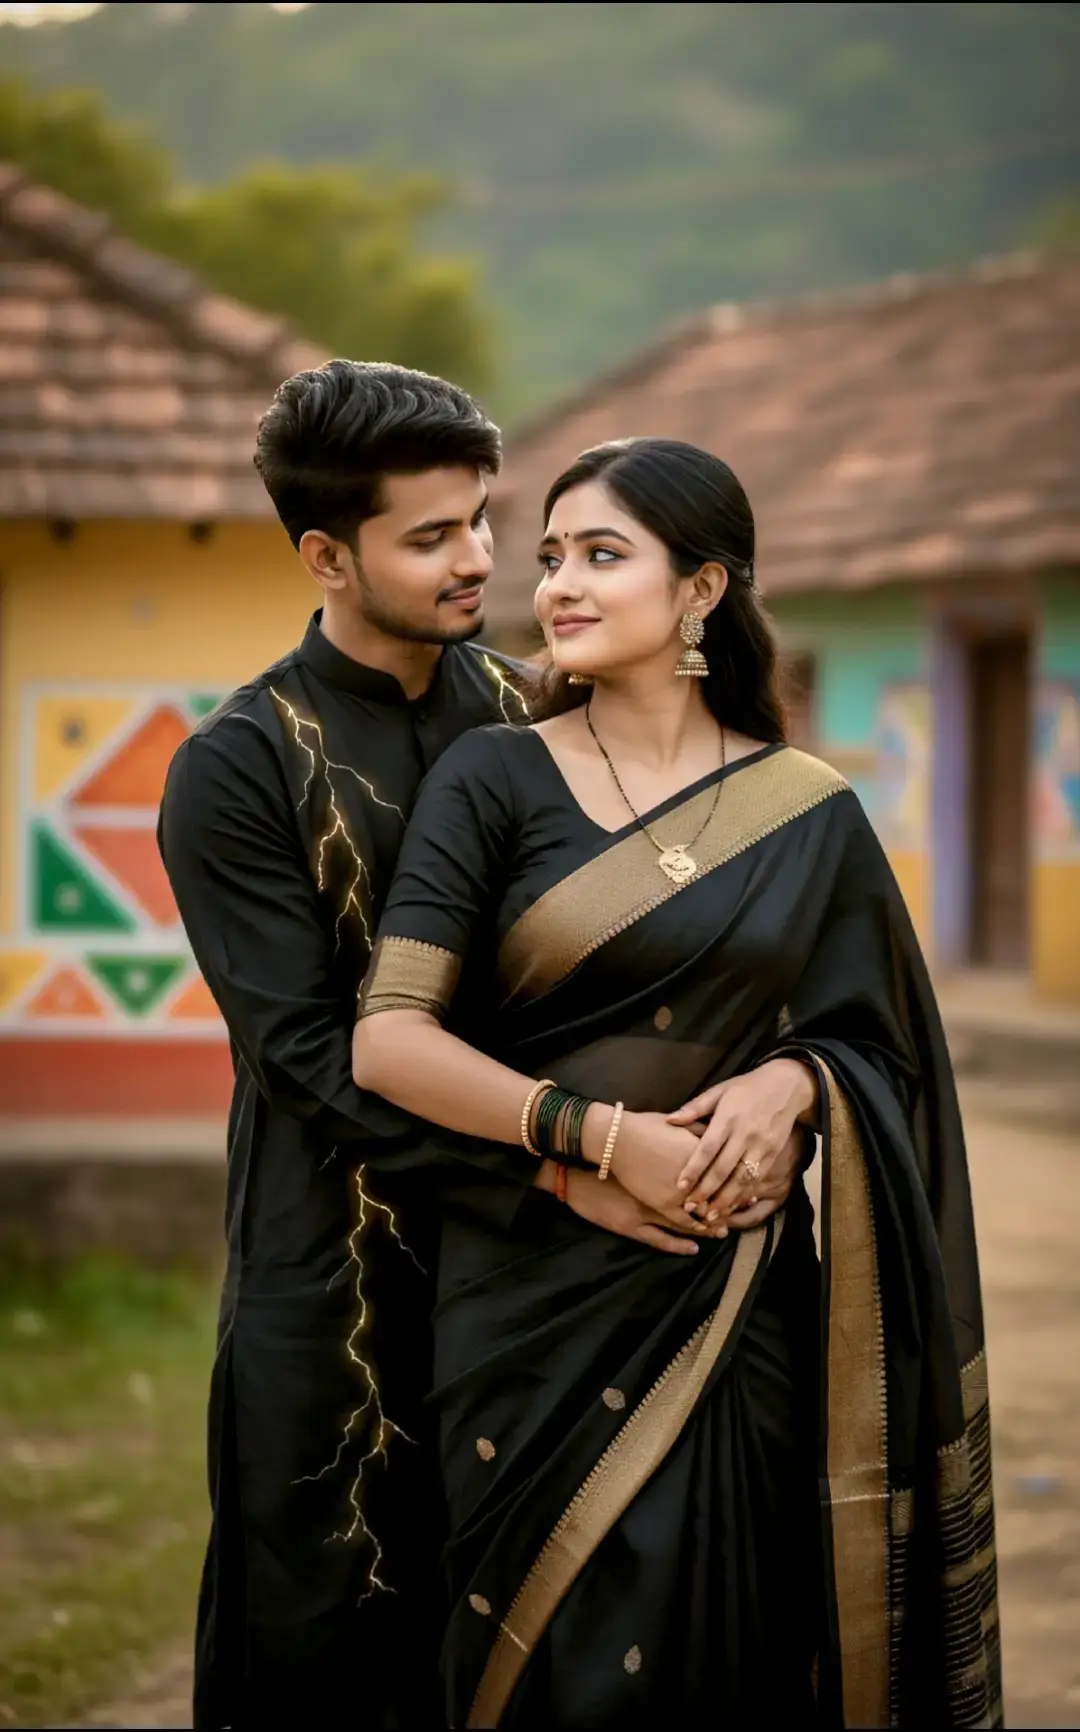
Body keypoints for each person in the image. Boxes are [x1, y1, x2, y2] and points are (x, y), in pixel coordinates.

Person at [159, 370, 806, 1729]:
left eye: (481, 522)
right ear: (326, 557)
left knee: (533, 1648)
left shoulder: (530, 720)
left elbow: (678, 966)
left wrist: (776, 1075)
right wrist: (562, 1171)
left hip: (541, 1295)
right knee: (321, 1648)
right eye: (429, 537)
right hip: (335, 1277)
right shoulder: (240, 764)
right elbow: (309, 1062)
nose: (479, 562)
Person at [353, 437, 1003, 1730]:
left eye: (603, 554)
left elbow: (880, 1045)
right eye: (551, 558)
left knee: (734, 1654)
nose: (559, 587)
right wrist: (596, 1138)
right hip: (533, 1287)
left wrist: (797, 1088)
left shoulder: (806, 809)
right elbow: (388, 1040)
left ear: (703, 589)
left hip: (739, 1296)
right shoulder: (494, 776)